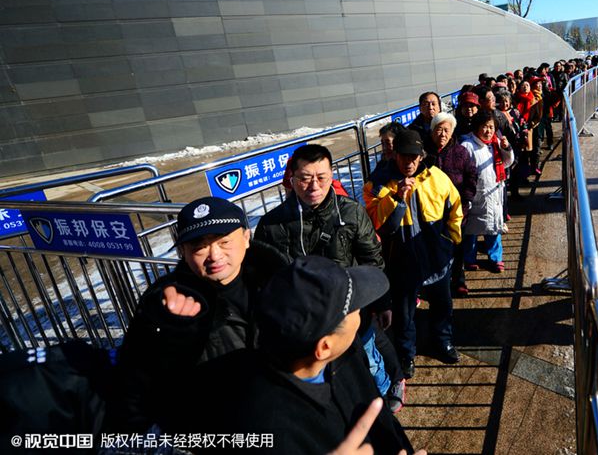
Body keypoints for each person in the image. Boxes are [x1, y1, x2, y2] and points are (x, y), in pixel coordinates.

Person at [192, 256, 422, 455]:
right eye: (353, 308)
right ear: (324, 347)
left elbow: (384, 421)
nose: (361, 311)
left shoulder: (345, 354)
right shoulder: (268, 428)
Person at [110, 197, 289, 431]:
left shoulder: (285, 282)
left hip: (285, 416)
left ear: (246, 238)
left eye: (224, 242)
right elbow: (135, 386)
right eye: (199, 247)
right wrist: (165, 335)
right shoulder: (164, 304)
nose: (214, 255)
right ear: (183, 252)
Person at [254, 144, 406, 412]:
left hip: (351, 313)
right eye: (305, 178)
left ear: (331, 175)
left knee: (369, 362)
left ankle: (382, 401)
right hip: (305, 323)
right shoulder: (271, 224)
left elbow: (372, 258)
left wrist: (382, 303)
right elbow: (266, 279)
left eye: (321, 177)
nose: (314, 186)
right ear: (292, 179)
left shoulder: (351, 212)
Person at [364, 129, 463, 379]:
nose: (409, 162)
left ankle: (443, 342)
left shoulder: (437, 177)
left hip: (436, 257)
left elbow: (455, 208)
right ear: (395, 155)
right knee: (404, 314)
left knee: (442, 305)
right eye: (404, 156)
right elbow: (377, 223)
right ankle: (407, 354)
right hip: (401, 261)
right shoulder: (378, 184)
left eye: (414, 157)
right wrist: (396, 198)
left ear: (421, 156)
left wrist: (451, 240)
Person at [425, 112, 477, 296]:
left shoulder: (460, 152)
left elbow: (471, 175)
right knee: (434, 247)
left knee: (457, 245)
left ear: (452, 132)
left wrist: (467, 199)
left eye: (446, 130)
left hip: (457, 209)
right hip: (430, 210)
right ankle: (437, 282)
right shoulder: (424, 153)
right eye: (439, 129)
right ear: (432, 131)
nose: (442, 134)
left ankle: (458, 279)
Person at [459, 110, 514, 273]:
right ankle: (469, 258)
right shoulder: (467, 146)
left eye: (491, 127)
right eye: (484, 126)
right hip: (476, 195)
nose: (488, 131)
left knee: (493, 229)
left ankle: (496, 258)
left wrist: (507, 148)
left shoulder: (495, 142)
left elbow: (507, 163)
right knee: (471, 231)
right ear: (477, 127)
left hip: (494, 192)